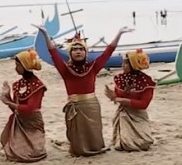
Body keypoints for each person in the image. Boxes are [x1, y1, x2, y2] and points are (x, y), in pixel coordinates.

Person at [39, 26, 131, 157]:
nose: (78, 52)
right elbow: (53, 53)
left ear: (85, 53)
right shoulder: (65, 69)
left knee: (94, 132)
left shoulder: (93, 67)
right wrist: (45, 34)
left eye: (81, 49)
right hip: (74, 106)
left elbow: (108, 52)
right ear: (70, 53)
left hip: (91, 106)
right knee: (76, 135)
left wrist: (119, 33)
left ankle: (96, 148)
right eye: (75, 49)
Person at [0, 49, 48, 162]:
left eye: (18, 65)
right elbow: (15, 109)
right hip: (20, 119)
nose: (16, 68)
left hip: (32, 122)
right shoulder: (17, 84)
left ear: (25, 65)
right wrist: (7, 96)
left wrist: (10, 102)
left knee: (33, 153)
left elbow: (30, 108)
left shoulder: (38, 86)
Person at [105, 49, 155, 152]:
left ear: (133, 64)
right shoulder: (121, 78)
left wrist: (122, 100)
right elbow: (117, 97)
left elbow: (144, 104)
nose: (122, 65)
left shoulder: (146, 82)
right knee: (123, 143)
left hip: (137, 114)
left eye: (126, 63)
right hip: (123, 113)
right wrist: (114, 97)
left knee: (142, 143)